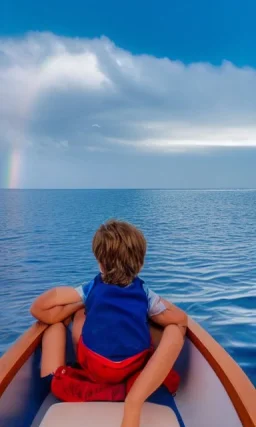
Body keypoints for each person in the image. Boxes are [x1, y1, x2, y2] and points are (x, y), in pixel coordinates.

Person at [30, 220, 187, 427]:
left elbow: (38, 309)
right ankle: (135, 400)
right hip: (133, 366)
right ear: (140, 263)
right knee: (175, 331)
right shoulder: (145, 293)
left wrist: (80, 303)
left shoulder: (89, 289)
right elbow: (180, 319)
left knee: (69, 321)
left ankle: (66, 375)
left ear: (100, 262)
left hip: (95, 366)